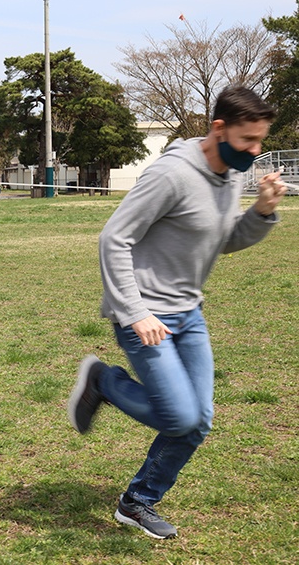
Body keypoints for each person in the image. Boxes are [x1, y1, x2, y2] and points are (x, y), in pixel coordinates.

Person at [67, 86, 288, 539]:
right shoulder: (172, 174)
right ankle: (103, 381)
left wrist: (262, 212)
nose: (256, 150)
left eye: (261, 140)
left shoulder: (228, 176)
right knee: (181, 418)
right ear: (219, 128)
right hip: (145, 315)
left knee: (198, 420)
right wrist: (134, 312)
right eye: (249, 140)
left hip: (189, 314)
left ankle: (137, 502)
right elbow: (114, 238)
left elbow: (222, 241)